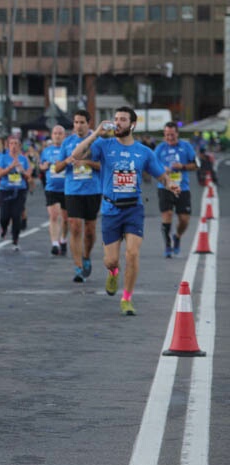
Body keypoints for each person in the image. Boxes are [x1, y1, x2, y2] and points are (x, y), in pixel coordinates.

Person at [71, 108, 178, 315]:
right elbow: (75, 154)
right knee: (111, 260)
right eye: (116, 119)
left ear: (132, 125)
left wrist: (170, 184)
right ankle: (113, 272)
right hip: (111, 209)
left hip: (134, 209)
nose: (118, 123)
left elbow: (160, 175)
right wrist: (96, 133)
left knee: (132, 253)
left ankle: (127, 298)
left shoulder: (144, 152)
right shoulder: (104, 145)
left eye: (122, 119)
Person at [54, 110, 101, 281]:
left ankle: (86, 256)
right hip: (72, 190)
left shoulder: (98, 141)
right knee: (74, 226)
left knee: (90, 230)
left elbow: (104, 167)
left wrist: (86, 162)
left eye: (82, 122)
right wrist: (67, 161)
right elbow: (57, 168)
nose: (78, 126)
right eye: (75, 122)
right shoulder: (68, 143)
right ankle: (78, 267)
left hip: (93, 190)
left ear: (89, 123)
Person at [154, 122, 197, 258]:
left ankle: (177, 236)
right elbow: (152, 167)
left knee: (184, 219)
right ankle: (167, 245)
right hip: (165, 187)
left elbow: (196, 165)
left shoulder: (186, 147)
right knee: (167, 215)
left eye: (172, 134)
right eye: (167, 135)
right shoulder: (160, 149)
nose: (169, 137)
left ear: (177, 134)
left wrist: (182, 166)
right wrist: (162, 169)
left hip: (182, 187)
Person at [0, 136, 32, 252]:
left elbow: (28, 176)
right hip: (5, 190)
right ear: (8, 145)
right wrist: (10, 167)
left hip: (19, 191)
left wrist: (21, 169)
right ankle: (4, 229)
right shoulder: (4, 158)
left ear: (19, 146)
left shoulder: (24, 159)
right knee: (4, 216)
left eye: (16, 144)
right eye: (11, 144)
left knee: (16, 216)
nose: (14, 146)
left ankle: (15, 240)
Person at [39, 125, 69, 257]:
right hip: (51, 188)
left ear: (64, 136)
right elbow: (41, 165)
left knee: (66, 219)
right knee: (54, 216)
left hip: (67, 188)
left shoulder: (68, 150)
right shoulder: (46, 151)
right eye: (55, 133)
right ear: (52, 135)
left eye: (60, 133)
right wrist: (43, 166)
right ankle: (55, 244)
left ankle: (63, 239)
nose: (57, 135)